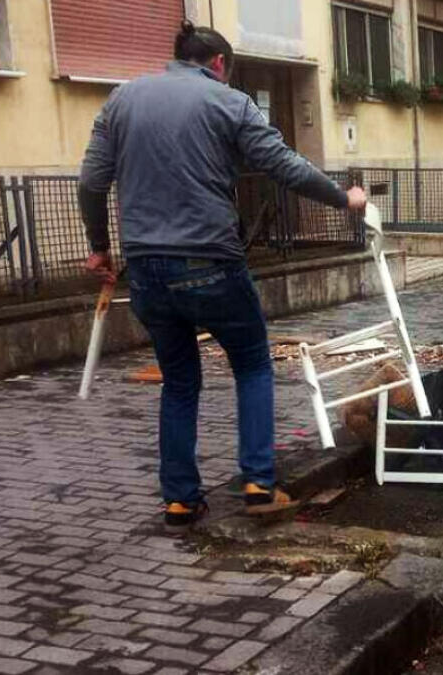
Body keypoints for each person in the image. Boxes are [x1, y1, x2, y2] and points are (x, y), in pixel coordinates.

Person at [78, 20, 366, 532]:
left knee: (180, 381)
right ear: (217, 64)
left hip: (145, 268)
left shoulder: (121, 100)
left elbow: (91, 181)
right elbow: (285, 166)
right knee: (252, 363)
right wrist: (343, 197)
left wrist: (99, 248)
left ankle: (181, 501)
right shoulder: (229, 103)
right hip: (210, 261)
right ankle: (258, 482)